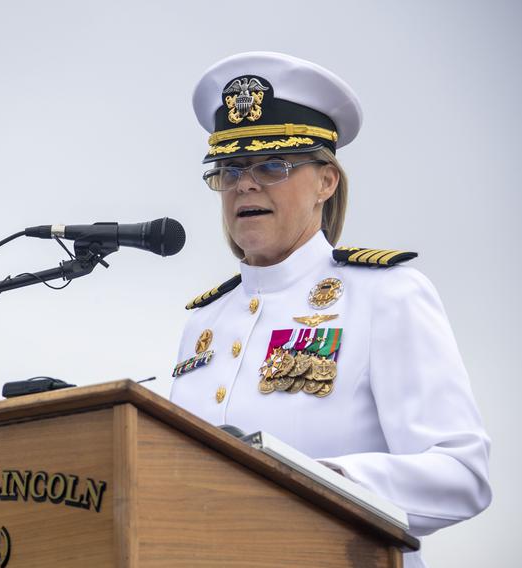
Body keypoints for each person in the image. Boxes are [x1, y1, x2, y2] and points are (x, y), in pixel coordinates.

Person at [170, 52, 491, 568]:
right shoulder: (204, 322)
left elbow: (462, 475)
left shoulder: (386, 295)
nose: (245, 184)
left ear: (326, 182)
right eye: (229, 169)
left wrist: (323, 482)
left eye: (272, 165)